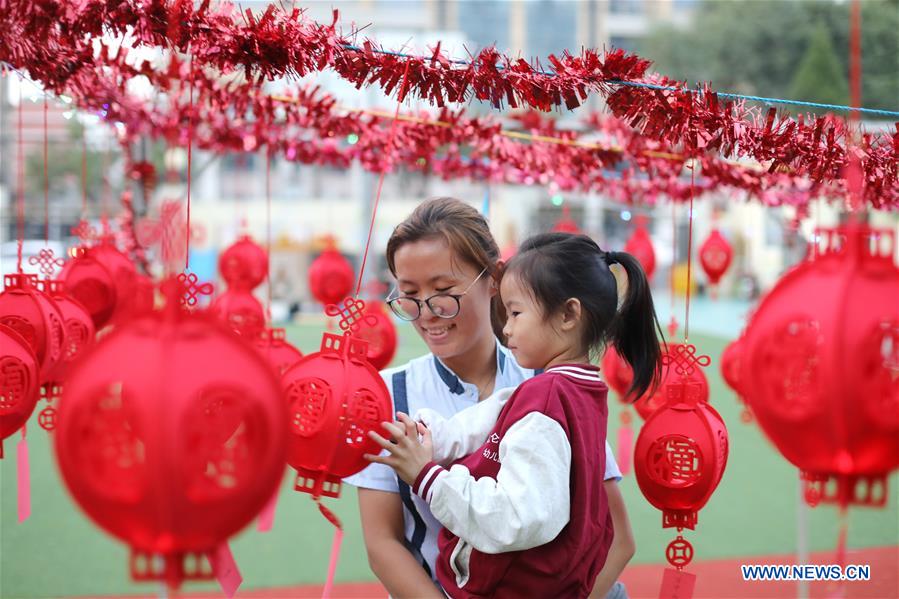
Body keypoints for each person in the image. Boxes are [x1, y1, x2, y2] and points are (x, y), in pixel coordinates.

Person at [344, 198, 636, 598]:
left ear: (494, 278)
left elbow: (618, 538)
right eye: (409, 294)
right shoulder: (386, 395)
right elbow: (383, 545)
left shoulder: (554, 386)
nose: (427, 312)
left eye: (444, 290)